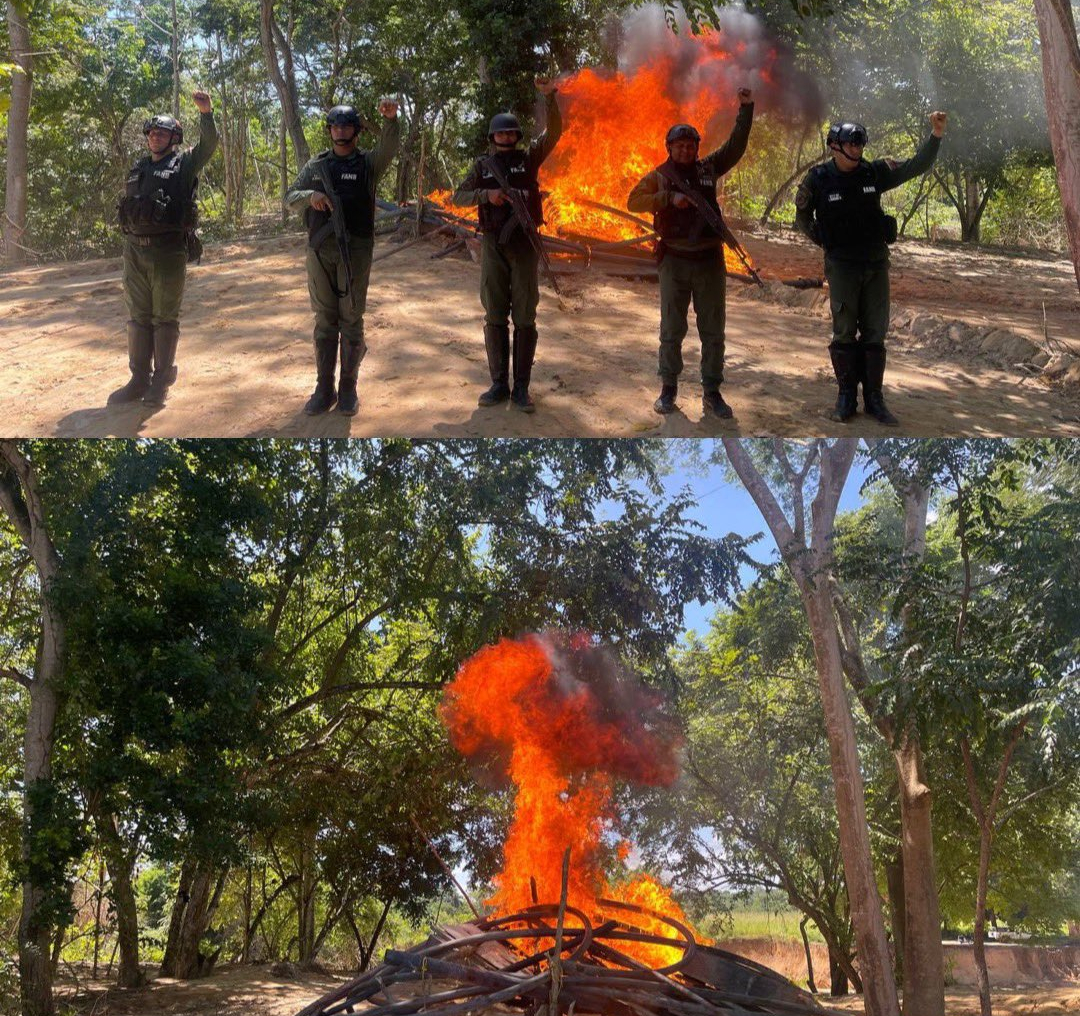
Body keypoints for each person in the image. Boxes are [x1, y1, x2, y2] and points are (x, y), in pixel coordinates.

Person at [794, 111, 947, 425]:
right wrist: (825, 243)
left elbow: (916, 166)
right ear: (834, 146)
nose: (858, 147)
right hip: (842, 267)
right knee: (845, 332)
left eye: (861, 141)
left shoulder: (874, 173)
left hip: (876, 265)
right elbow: (802, 219)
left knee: (875, 333)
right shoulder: (819, 179)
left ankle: (875, 399)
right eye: (852, 142)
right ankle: (846, 397)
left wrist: (936, 135)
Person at [627, 88, 754, 419]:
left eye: (690, 145)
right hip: (674, 260)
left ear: (697, 148)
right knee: (672, 329)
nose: (685, 150)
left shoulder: (709, 168)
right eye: (679, 145)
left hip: (709, 260)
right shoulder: (659, 176)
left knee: (713, 330)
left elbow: (736, 146)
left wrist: (746, 108)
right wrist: (668, 199)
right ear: (669, 148)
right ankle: (668, 390)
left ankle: (712, 391)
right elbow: (633, 201)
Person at [453, 77, 561, 413]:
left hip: (525, 245)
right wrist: (487, 194)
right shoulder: (482, 167)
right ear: (492, 137)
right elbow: (458, 196)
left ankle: (522, 389)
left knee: (526, 315)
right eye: (501, 133)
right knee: (495, 313)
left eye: (511, 133)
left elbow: (554, 133)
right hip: (493, 246)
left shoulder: (529, 159)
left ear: (517, 137)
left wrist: (550, 99)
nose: (506, 137)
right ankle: (499, 384)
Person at [285, 100, 399, 415]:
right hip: (321, 251)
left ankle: (348, 387)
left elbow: (388, 148)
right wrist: (312, 196)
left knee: (351, 318)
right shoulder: (316, 166)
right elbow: (289, 198)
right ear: (330, 130)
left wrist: (391, 121)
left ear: (356, 132)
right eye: (335, 126)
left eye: (346, 126)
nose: (340, 131)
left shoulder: (368, 164)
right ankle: (324, 388)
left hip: (357, 250)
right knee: (324, 320)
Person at [112, 90, 217, 407]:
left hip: (167, 251)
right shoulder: (138, 167)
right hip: (134, 252)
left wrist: (206, 113)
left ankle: (160, 382)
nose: (155, 137)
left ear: (175, 137)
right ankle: (138, 379)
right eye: (152, 132)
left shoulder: (183, 165)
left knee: (164, 318)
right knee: (138, 317)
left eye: (162, 133)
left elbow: (209, 146)